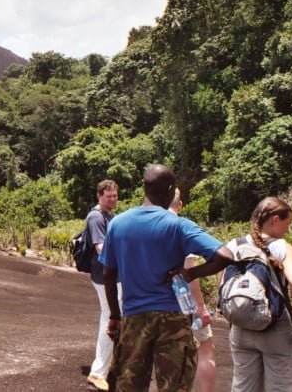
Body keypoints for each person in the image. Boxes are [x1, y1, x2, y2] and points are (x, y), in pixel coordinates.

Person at [100, 164, 234, 392]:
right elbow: (224, 256)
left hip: (134, 317)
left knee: (129, 385)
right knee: (174, 386)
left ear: (144, 187)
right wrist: (191, 273)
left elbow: (109, 275)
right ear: (171, 190)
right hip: (173, 318)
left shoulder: (117, 224)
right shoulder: (178, 225)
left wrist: (115, 315)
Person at [228, 196, 292, 392]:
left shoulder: (234, 244)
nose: (288, 229)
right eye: (288, 223)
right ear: (275, 219)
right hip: (276, 330)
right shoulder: (283, 247)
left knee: (243, 387)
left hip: (241, 327)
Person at [169, 189, 216, 392]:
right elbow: (190, 272)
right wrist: (200, 306)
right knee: (205, 350)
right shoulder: (181, 227)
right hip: (184, 303)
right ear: (180, 205)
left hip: (156, 304)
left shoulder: (148, 226)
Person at [85, 180, 121, 391]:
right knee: (110, 319)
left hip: (113, 277)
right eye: (109, 196)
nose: (113, 199)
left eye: (115, 196)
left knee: (114, 318)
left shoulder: (111, 217)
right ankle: (98, 372)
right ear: (99, 196)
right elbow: (101, 249)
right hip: (104, 277)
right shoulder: (96, 217)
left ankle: (110, 365)